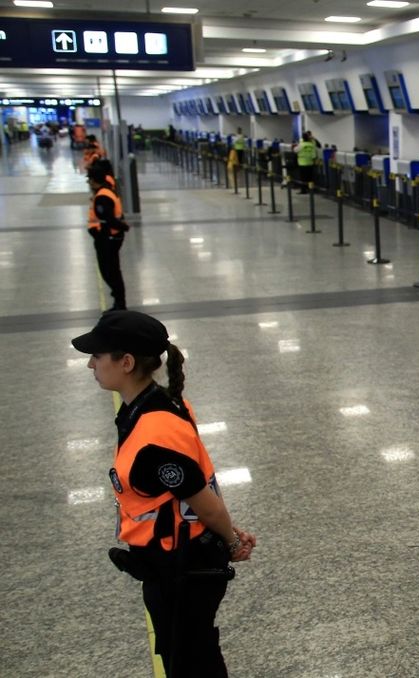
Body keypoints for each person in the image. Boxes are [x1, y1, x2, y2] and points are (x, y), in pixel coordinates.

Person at [71, 310, 257, 677]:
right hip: (172, 562)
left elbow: (203, 502)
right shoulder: (156, 404)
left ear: (126, 362)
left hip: (184, 568)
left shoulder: (153, 435)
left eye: (98, 355)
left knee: (192, 664)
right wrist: (228, 534)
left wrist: (232, 539)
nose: (91, 363)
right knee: (189, 655)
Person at [87, 163, 129, 311]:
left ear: (93, 180)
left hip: (107, 239)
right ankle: (118, 300)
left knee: (110, 271)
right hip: (108, 238)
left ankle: (120, 302)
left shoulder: (103, 197)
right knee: (111, 270)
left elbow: (109, 219)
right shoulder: (106, 191)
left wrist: (123, 226)